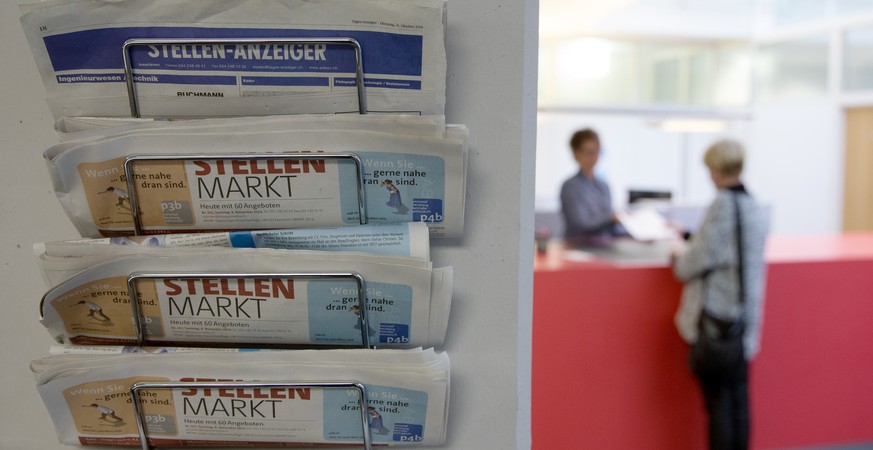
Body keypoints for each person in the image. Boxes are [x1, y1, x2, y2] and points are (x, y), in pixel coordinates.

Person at [671, 139, 768, 450]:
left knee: (718, 405)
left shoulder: (723, 204)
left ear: (717, 169)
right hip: (743, 321)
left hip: (716, 318)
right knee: (739, 403)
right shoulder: (753, 206)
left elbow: (695, 261)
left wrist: (679, 258)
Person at [559, 128, 623, 245]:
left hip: (604, 246)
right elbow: (581, 224)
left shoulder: (603, 186)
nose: (594, 157)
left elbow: (611, 228)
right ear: (576, 153)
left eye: (597, 152)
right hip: (579, 247)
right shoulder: (570, 187)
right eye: (589, 152)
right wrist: (610, 218)